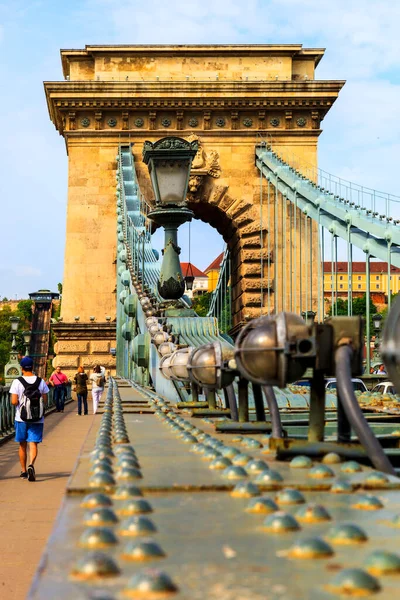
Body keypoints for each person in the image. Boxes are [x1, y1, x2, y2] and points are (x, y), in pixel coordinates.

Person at [10, 356, 49, 481]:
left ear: (21, 368)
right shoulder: (40, 381)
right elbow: (45, 400)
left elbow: (14, 401)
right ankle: (31, 464)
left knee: (22, 444)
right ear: (32, 367)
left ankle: (23, 471)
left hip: (21, 418)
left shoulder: (17, 382)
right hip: (37, 418)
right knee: (33, 443)